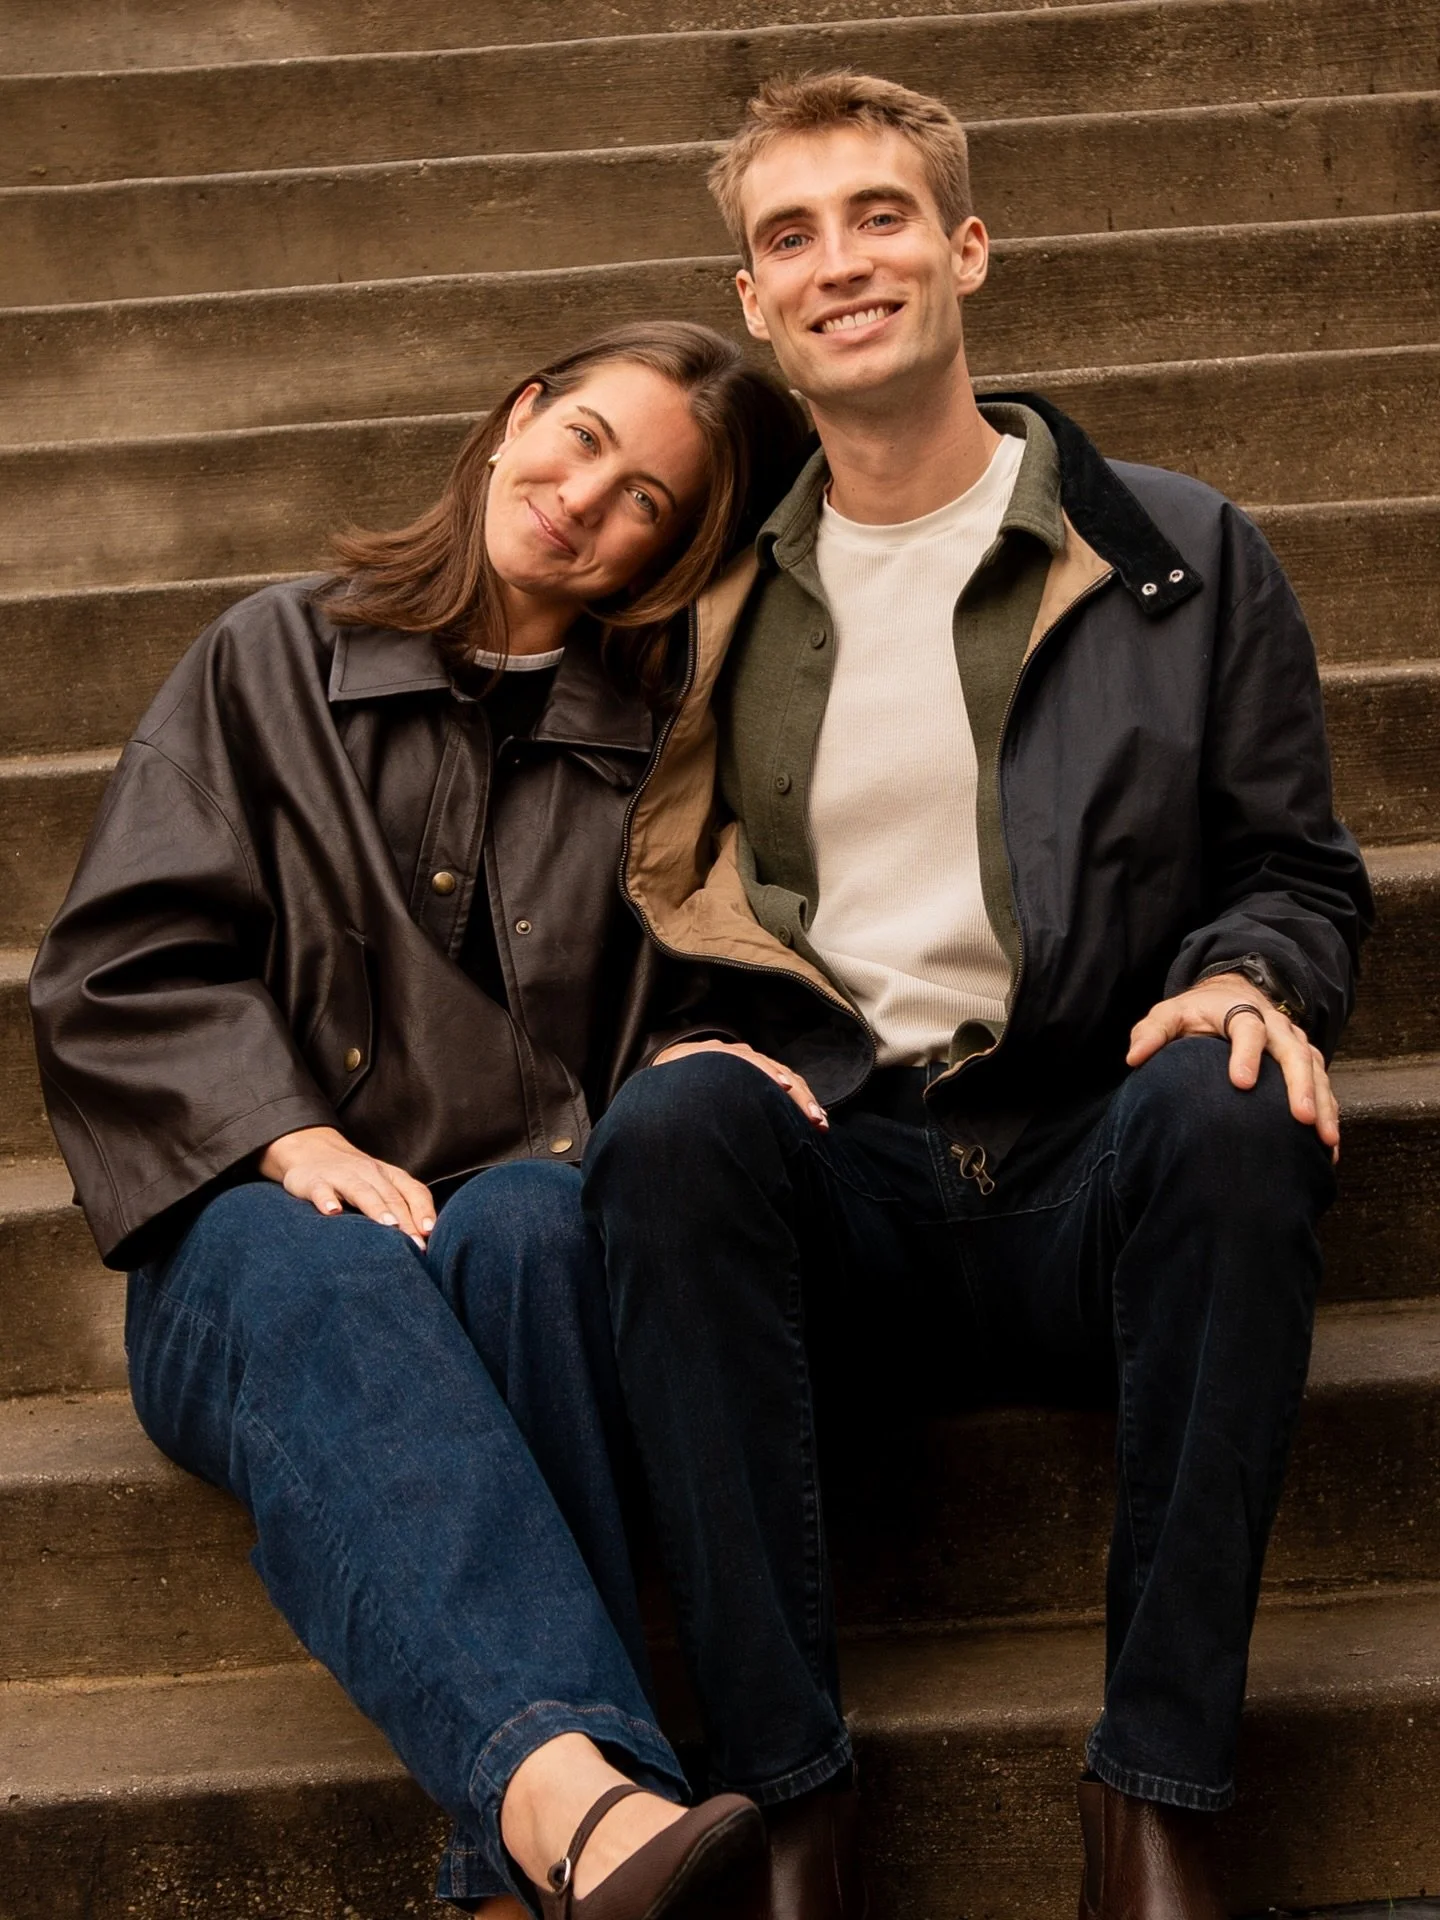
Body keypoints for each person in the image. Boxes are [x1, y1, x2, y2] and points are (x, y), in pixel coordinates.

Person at [578, 77, 1375, 1920]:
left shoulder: (1179, 552)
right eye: (791, 237)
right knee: (670, 1128)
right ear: (756, 302)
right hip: (845, 1178)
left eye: (879, 215)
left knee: (1238, 1094)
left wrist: (1250, 976)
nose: (840, 263)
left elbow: (1299, 867)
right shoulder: (711, 604)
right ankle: (787, 1814)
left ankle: (1155, 1805)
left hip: (1097, 1163)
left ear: (967, 249)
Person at [28, 322, 811, 1920]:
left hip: (522, 1244)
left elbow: (717, 994)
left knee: (530, 1226)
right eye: (582, 439)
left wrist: (703, 1055)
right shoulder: (270, 656)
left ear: (672, 556)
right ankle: (589, 1815)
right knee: (320, 1253)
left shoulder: (665, 752)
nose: (583, 500)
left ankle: (554, 1851)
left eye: (647, 501)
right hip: (252, 1256)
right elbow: (119, 960)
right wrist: (284, 1132)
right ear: (520, 413)